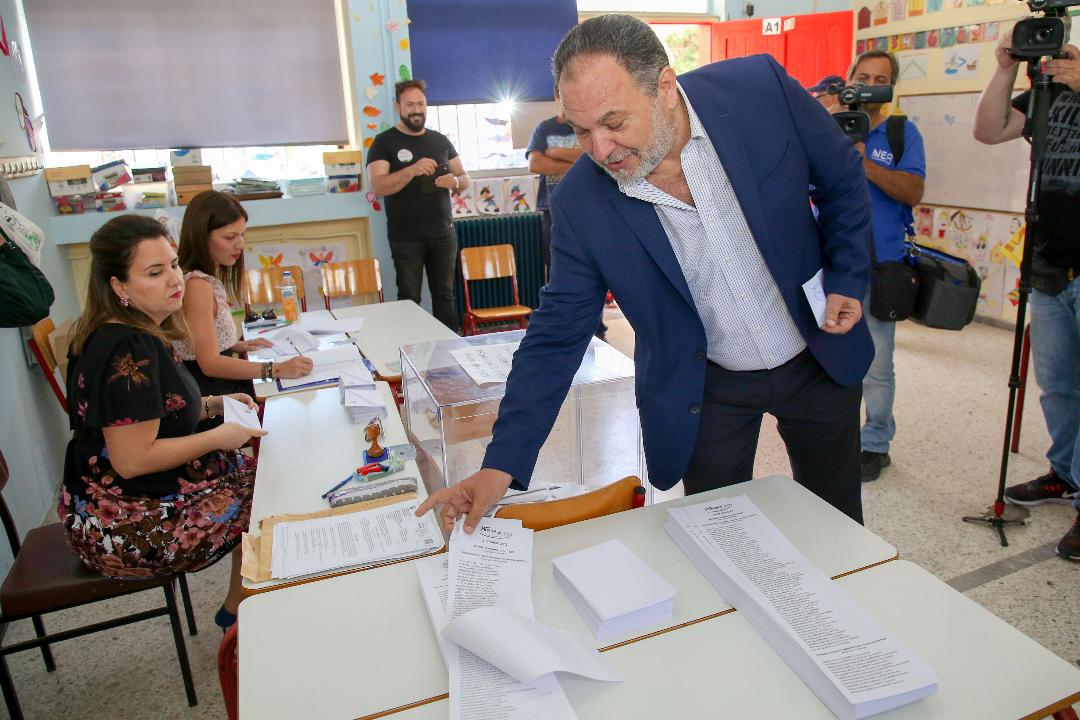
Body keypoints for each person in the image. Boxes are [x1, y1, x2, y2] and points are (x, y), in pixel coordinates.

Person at [418, 14, 873, 533]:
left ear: (665, 87)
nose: (600, 150)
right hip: (707, 386)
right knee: (719, 536)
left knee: (838, 525)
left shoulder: (758, 89)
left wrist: (847, 276)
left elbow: (841, 179)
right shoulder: (582, 202)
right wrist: (500, 465)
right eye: (581, 130)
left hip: (815, 353)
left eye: (614, 123)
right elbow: (557, 334)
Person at [61, 214, 268, 629]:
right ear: (119, 286)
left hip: (134, 493)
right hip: (123, 519)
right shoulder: (126, 349)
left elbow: (156, 411)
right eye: (155, 272)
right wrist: (219, 437)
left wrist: (213, 405)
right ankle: (241, 620)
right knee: (270, 503)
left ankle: (238, 608)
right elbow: (133, 460)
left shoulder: (137, 329)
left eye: (173, 264)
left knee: (268, 476)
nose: (175, 278)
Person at [973, 28, 1080, 561]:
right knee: (1057, 386)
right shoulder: (1047, 93)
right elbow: (989, 130)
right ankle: (1066, 473)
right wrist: (1005, 68)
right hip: (1048, 263)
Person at [842, 50, 926, 482]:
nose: (870, 86)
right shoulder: (827, 127)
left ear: (891, 88)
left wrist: (865, 163)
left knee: (876, 364)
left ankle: (875, 443)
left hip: (881, 266)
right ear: (849, 79)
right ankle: (837, 439)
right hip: (832, 263)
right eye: (863, 76)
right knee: (831, 359)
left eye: (881, 79)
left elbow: (913, 191)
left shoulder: (900, 133)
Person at [175, 190, 312, 423]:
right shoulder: (197, 286)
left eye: (242, 235)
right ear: (200, 237)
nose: (240, 244)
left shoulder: (203, 280)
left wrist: (232, 344)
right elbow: (209, 364)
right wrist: (277, 369)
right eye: (230, 237)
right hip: (212, 397)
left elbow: (196, 340)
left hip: (218, 387)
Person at [367, 80, 470, 330]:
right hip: (406, 237)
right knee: (409, 299)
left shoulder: (440, 141)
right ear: (398, 107)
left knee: (445, 296)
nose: (417, 110)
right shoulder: (383, 142)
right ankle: (410, 347)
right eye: (410, 105)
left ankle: (450, 347)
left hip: (443, 234)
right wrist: (412, 170)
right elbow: (378, 186)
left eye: (421, 104)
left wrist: (455, 181)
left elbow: (464, 178)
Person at [527, 89, 608, 339]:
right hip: (552, 211)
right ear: (556, 97)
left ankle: (596, 329)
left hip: (591, 210)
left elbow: (600, 156)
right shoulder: (544, 128)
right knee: (559, 271)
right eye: (562, 96)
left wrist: (556, 152)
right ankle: (565, 329)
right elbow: (536, 164)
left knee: (595, 270)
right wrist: (581, 160)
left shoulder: (589, 125)